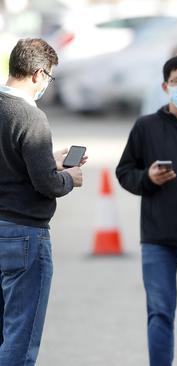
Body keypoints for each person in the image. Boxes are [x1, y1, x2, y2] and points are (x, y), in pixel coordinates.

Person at [116, 55, 177, 366]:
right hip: (157, 239)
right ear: (165, 86)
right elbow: (124, 171)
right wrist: (148, 178)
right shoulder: (146, 127)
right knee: (159, 311)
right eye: (176, 82)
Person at [0, 38, 84, 366]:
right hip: (24, 234)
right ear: (37, 74)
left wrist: (48, 158)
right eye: (48, 78)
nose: (46, 85)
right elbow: (47, 183)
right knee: (20, 337)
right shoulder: (31, 117)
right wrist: (70, 178)